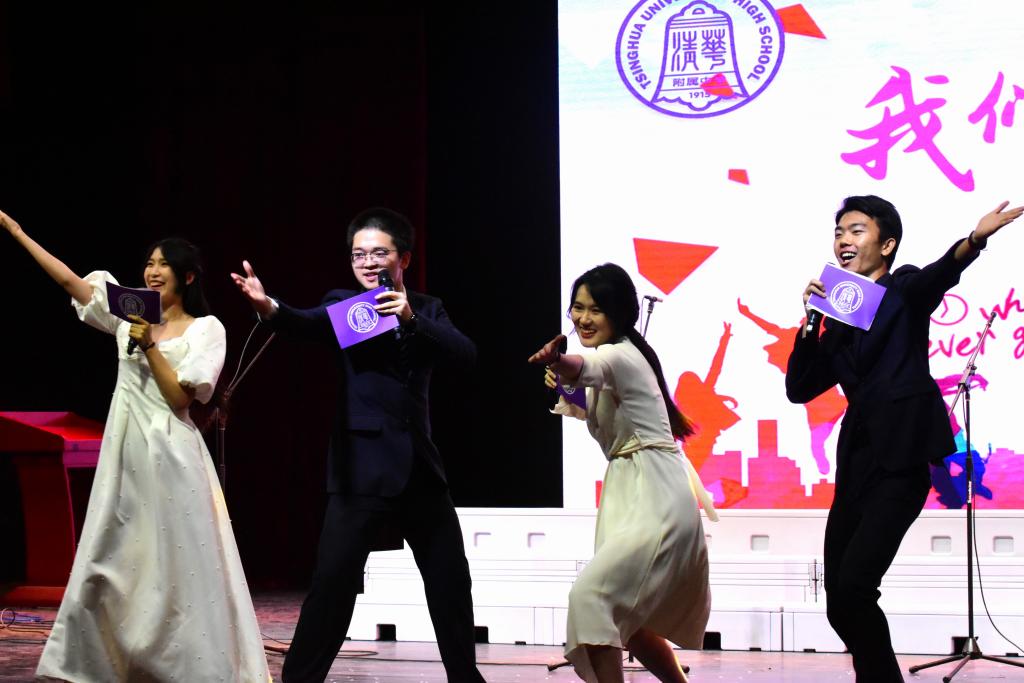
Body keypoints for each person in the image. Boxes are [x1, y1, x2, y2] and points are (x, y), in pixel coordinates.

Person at [0, 209, 270, 682]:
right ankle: (104, 664)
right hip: (124, 456)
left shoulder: (206, 329)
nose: (152, 271)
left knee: (177, 565)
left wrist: (149, 346)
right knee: (111, 557)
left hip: (172, 457)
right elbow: (70, 282)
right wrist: (16, 232)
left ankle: (188, 667)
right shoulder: (129, 315)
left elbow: (179, 399)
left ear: (187, 276)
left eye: (163, 264)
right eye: (149, 262)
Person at [230, 207, 485, 683]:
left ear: (403, 258)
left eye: (378, 253)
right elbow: (307, 324)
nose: (367, 262)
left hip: (420, 468)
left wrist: (409, 316)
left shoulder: (428, 308)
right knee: (333, 584)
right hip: (361, 468)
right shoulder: (350, 306)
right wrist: (269, 307)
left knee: (450, 580)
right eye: (358, 254)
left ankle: (465, 678)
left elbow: (464, 354)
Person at [785, 196, 1023, 682]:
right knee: (839, 600)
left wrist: (974, 240)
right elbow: (800, 388)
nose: (844, 240)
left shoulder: (903, 291)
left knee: (856, 585)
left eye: (856, 230)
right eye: (839, 232)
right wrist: (810, 321)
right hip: (857, 462)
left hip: (901, 460)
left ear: (886, 244)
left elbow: (940, 274)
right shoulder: (840, 318)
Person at [529, 263, 717, 683]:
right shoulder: (621, 355)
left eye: (595, 309)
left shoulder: (619, 354)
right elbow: (591, 397)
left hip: (655, 493)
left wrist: (560, 361)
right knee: (630, 621)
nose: (583, 318)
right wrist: (565, 380)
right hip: (630, 490)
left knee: (591, 597)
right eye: (577, 308)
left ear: (619, 314)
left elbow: (584, 366)